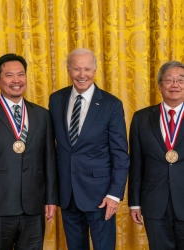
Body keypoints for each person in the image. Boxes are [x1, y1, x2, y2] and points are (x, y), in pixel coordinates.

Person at [0, 53, 59, 250]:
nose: (16, 80)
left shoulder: (42, 115)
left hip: (34, 207)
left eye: (21, 74)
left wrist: (51, 198)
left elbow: (49, 160)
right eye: (9, 75)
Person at [49, 48, 130, 250]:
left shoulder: (111, 105)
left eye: (87, 69)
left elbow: (120, 154)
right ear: (68, 70)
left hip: (101, 196)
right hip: (68, 194)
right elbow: (52, 148)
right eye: (76, 69)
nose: (82, 74)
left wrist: (114, 194)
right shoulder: (56, 99)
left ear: (94, 71)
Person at [128, 61, 184, 250]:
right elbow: (136, 163)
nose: (174, 85)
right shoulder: (141, 118)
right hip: (154, 202)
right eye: (169, 80)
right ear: (160, 86)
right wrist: (134, 203)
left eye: (180, 80)